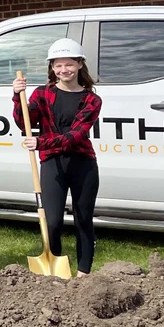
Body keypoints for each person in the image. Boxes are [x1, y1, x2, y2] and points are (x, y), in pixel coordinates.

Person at [12, 37, 102, 277]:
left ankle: (84, 273)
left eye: (69, 64)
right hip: (52, 163)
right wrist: (16, 96)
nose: (64, 70)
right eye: (58, 65)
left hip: (82, 164)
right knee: (52, 222)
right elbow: (25, 123)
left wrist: (41, 142)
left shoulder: (92, 99)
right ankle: (55, 272)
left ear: (80, 64)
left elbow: (75, 135)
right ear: (51, 67)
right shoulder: (42, 94)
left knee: (83, 220)